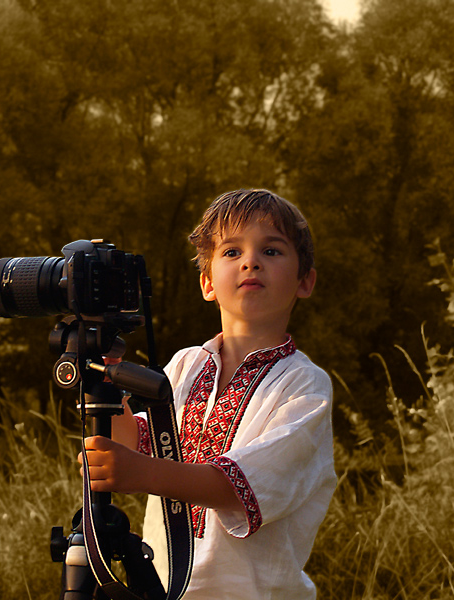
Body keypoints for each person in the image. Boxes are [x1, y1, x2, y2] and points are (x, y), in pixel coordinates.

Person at [79, 189, 336, 599]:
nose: (251, 261)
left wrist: (138, 472)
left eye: (272, 251)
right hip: (165, 589)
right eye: (232, 252)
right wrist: (103, 379)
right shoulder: (186, 365)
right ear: (207, 282)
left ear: (305, 281)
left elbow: (238, 488)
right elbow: (137, 442)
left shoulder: (304, 385)